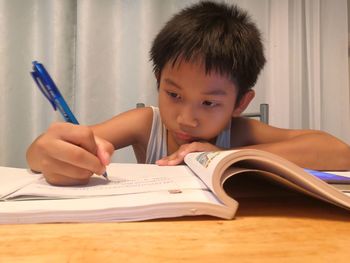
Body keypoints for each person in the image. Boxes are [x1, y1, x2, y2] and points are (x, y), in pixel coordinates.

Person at [26, 1, 350, 186]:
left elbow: (337, 151)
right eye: (174, 94)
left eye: (209, 102)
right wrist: (47, 153)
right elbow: (40, 154)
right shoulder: (145, 123)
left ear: (240, 103)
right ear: (158, 81)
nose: (185, 118)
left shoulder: (236, 133)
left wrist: (221, 155)